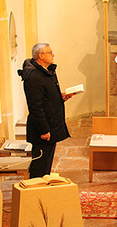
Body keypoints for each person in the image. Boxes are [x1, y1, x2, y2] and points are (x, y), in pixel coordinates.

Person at [18, 43, 74, 178]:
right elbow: (35, 106)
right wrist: (44, 130)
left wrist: (60, 98)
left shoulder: (46, 71)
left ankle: (43, 192)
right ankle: (35, 194)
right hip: (43, 129)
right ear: (41, 56)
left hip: (51, 123)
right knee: (40, 167)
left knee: (46, 165)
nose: (53, 55)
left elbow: (45, 97)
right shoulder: (34, 77)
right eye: (50, 52)